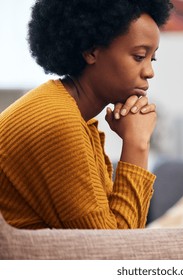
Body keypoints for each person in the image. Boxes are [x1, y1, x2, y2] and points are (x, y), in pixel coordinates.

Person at [0, 0, 173, 229]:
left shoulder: (72, 114)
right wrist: (137, 143)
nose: (150, 72)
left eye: (152, 59)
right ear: (92, 51)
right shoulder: (59, 122)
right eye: (139, 56)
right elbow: (114, 252)